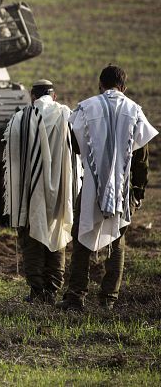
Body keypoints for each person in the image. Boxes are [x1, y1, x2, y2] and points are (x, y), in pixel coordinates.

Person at [57, 65, 157, 311]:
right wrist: (138, 191)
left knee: (81, 239)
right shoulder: (134, 111)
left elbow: (75, 144)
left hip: (91, 185)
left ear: (100, 85)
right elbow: (141, 158)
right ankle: (108, 299)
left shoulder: (85, 108)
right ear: (123, 87)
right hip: (122, 189)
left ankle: (75, 297)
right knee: (117, 241)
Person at [3, 80, 77, 304]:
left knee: (31, 236)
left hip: (29, 188)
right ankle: (52, 290)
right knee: (57, 235)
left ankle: (36, 290)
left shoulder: (21, 118)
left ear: (32, 97)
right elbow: (77, 151)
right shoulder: (67, 116)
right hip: (60, 189)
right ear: (54, 96)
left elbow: (13, 156)